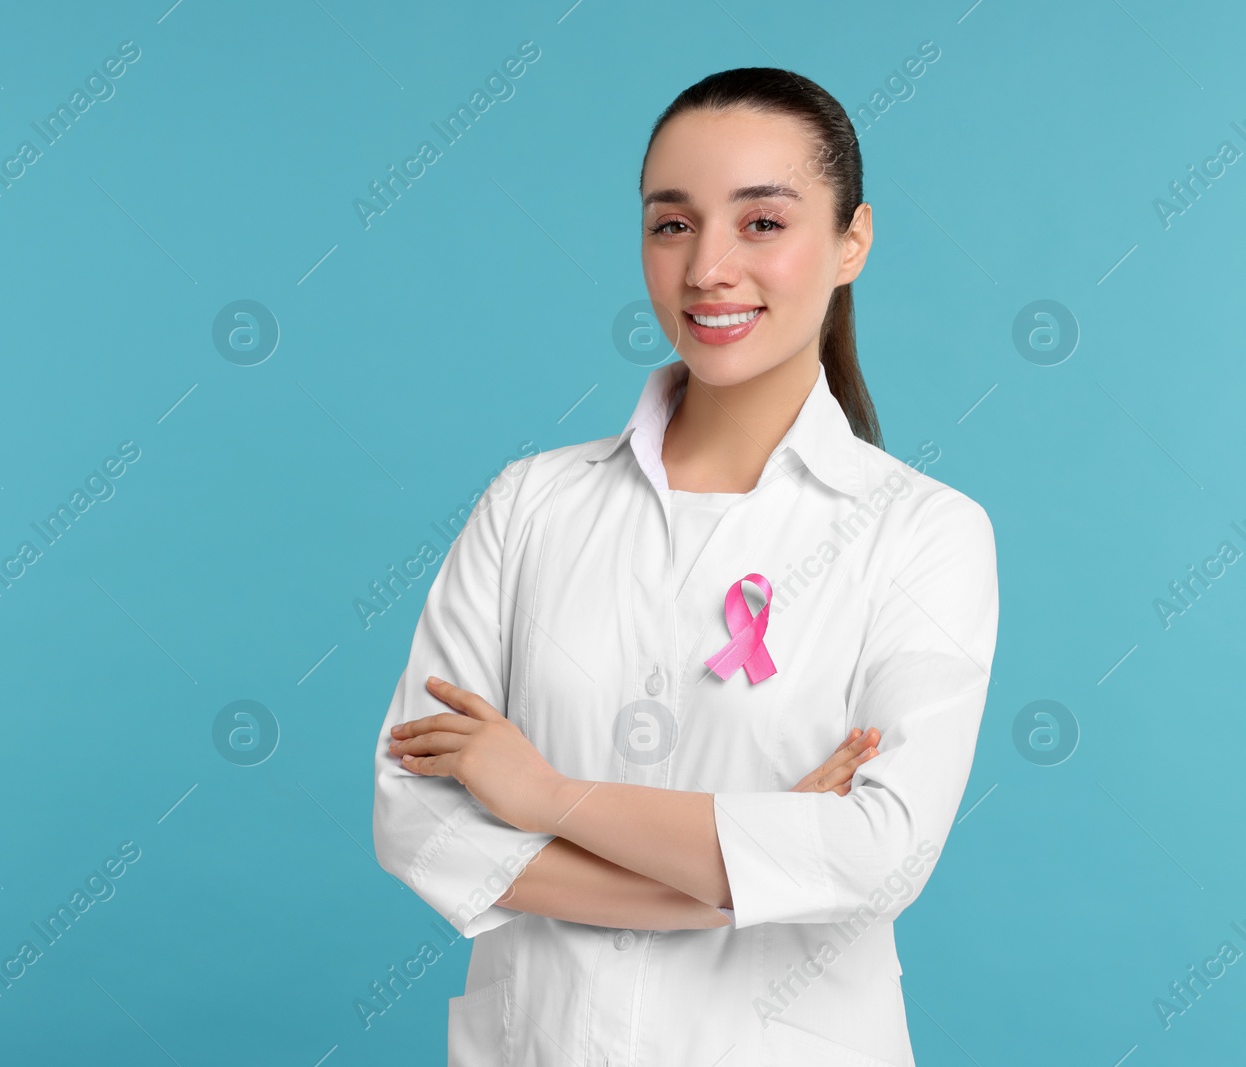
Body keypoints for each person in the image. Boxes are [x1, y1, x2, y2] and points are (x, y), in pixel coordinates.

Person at [372, 66, 999, 1067]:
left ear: (851, 241)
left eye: (761, 223)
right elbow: (418, 822)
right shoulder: (529, 505)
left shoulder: (922, 531)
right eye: (672, 224)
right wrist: (729, 880)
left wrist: (541, 796)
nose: (708, 267)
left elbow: (880, 852)